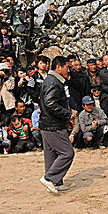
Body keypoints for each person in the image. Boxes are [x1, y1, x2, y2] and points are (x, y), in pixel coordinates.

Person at [39, 56, 75, 194]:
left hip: (48, 123)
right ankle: (50, 178)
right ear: (58, 67)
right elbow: (50, 103)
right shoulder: (53, 82)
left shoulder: (52, 80)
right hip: (53, 125)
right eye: (67, 66)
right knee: (67, 152)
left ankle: (56, 182)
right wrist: (67, 114)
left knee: (51, 154)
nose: (68, 69)